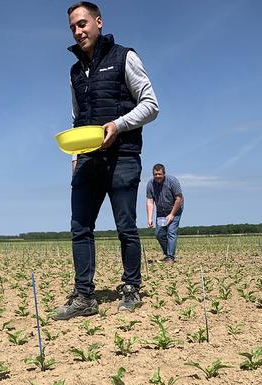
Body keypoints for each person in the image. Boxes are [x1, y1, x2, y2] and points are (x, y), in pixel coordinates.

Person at [55, 1, 159, 320]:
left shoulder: (124, 56)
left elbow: (151, 104)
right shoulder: (74, 71)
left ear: (98, 22)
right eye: (73, 26)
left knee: (125, 225)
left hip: (123, 155)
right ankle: (84, 296)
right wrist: (74, 155)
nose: (78, 30)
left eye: (83, 23)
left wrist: (119, 124)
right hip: (88, 158)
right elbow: (77, 118)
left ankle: (131, 287)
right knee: (80, 226)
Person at [146, 163, 184, 263]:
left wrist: (172, 214)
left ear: (164, 174)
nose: (157, 176)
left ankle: (170, 257)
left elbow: (179, 199)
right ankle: (168, 254)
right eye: (155, 174)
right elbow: (150, 201)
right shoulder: (150, 184)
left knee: (171, 231)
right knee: (159, 234)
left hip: (175, 209)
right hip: (161, 212)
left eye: (159, 174)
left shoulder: (172, 181)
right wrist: (149, 218)